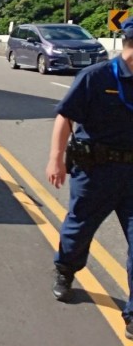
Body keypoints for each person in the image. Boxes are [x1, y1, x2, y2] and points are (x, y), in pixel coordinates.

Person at [46, 17, 133, 336]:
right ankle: (65, 269)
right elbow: (65, 117)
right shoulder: (95, 77)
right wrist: (56, 159)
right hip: (95, 171)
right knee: (78, 229)